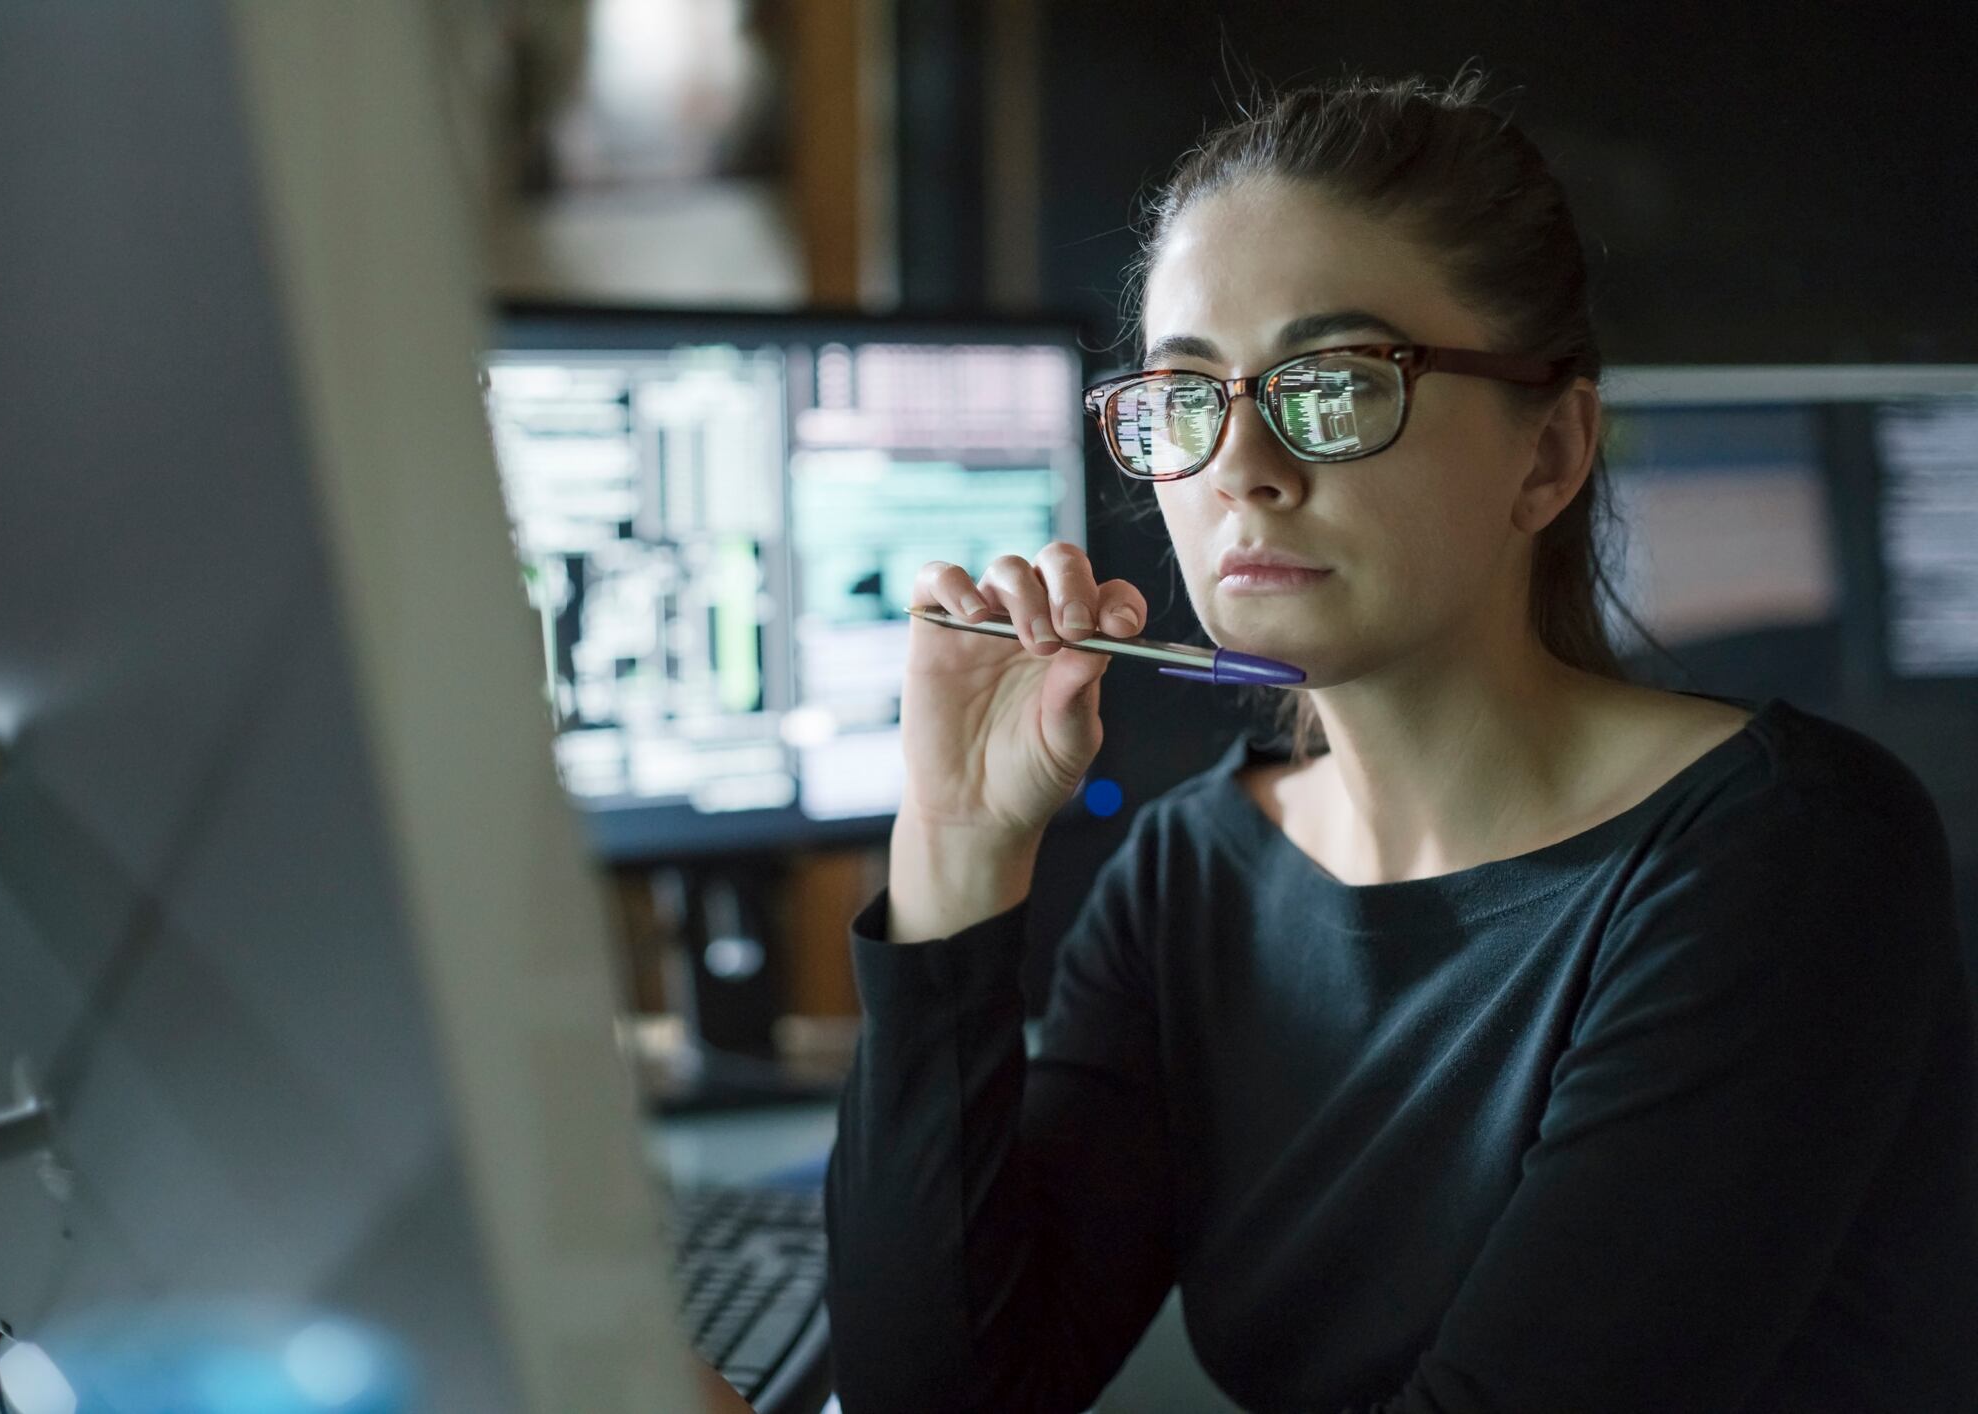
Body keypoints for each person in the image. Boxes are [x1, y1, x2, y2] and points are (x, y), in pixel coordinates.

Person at [823, 72, 1978, 1413]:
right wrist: (956, 849)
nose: (1242, 462)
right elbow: (943, 1395)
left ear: (1548, 452)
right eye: (1187, 395)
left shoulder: (1789, 856)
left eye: (1334, 384)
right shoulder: (1190, 878)